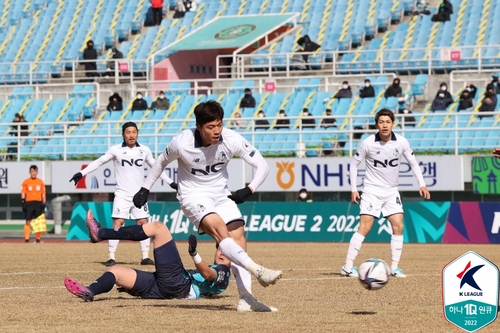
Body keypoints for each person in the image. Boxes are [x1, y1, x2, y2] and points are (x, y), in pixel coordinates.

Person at [132, 100, 282, 312]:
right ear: (199, 126)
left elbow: (262, 165)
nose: (217, 131)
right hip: (192, 195)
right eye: (211, 127)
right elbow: (160, 163)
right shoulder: (181, 142)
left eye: (219, 125)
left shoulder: (231, 139)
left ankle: (246, 298)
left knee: (238, 236)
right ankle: (258, 270)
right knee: (222, 231)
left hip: (221, 194)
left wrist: (249, 189)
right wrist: (145, 189)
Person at [69, 122, 176, 267]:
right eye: (128, 132)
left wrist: (170, 182)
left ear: (137, 133)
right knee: (118, 223)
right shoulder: (115, 150)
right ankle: (111, 257)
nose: (131, 135)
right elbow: (99, 162)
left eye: (134, 132)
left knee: (143, 223)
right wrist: (82, 173)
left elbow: (156, 168)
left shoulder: (144, 150)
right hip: (122, 194)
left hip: (139, 195)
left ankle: (145, 257)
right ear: (123, 134)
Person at [340, 109, 431, 279]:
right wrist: (354, 188)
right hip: (371, 190)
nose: (384, 125)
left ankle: (395, 268)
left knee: (398, 225)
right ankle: (347, 266)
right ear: (376, 125)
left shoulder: (401, 142)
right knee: (365, 227)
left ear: (393, 124)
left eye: (387, 122)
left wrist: (422, 184)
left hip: (391, 191)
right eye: (381, 122)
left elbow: (413, 162)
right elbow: (354, 165)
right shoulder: (368, 143)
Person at [65, 210, 230, 302]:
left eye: (227, 253)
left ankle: (101, 233)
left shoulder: (225, 273)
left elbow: (208, 274)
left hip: (178, 285)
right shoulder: (217, 273)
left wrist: (194, 254)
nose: (222, 253)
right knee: (115, 271)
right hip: (162, 288)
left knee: (158, 228)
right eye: (220, 249)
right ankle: (89, 291)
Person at [21, 165, 46, 243]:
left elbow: (43, 193)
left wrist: (44, 203)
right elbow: (23, 192)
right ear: (29, 172)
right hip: (29, 203)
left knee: (38, 222)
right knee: (28, 221)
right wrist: (23, 202)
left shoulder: (40, 182)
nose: (33, 173)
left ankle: (38, 239)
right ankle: (27, 239)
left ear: (37, 172)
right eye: (32, 171)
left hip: (38, 203)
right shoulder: (26, 182)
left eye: (35, 171)